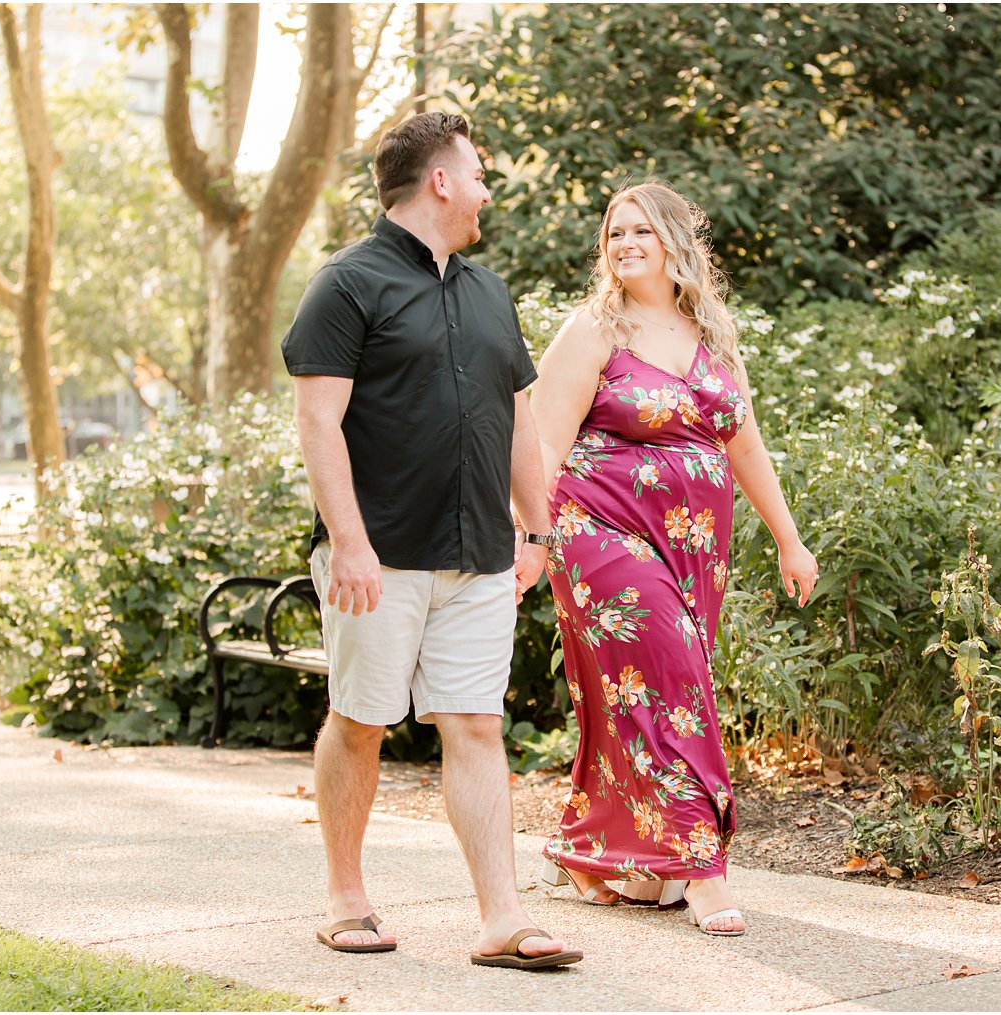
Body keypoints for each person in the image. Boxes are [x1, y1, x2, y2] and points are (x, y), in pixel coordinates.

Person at [280, 112, 579, 970]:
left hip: (482, 556)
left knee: (478, 725)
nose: (487, 190)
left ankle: (503, 918)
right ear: (440, 181)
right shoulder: (346, 284)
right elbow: (317, 420)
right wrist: (347, 540)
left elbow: (519, 424)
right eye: (478, 174)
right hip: (378, 559)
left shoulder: (490, 293)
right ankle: (345, 896)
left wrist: (536, 530)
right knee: (362, 719)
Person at [528, 182, 819, 936]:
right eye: (614, 232)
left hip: (695, 550)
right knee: (675, 684)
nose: (624, 243)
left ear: (675, 242)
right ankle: (701, 866)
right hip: (597, 532)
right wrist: (526, 540)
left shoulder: (713, 332)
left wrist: (790, 537)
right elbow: (541, 445)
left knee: (648, 692)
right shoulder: (594, 330)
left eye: (640, 231)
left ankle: (630, 859)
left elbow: (744, 443)